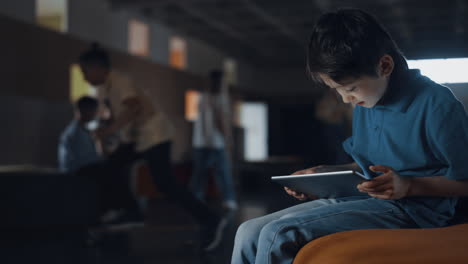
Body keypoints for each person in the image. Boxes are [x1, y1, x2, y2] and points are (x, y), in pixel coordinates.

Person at [231, 8, 468, 264]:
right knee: (248, 231)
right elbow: (367, 165)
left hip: (416, 210)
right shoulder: (369, 100)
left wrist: (410, 185)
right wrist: (324, 175)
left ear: (385, 65)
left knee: (278, 233)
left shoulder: (436, 104)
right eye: (337, 91)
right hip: (365, 198)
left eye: (351, 88)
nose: (346, 99)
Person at [78, 43, 229, 251]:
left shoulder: (120, 80)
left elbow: (133, 108)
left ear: (98, 68)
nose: (85, 78)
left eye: (85, 72)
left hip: (155, 134)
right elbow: (122, 118)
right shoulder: (106, 88)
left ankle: (210, 219)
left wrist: (108, 131)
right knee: (112, 165)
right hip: (140, 138)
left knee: (165, 184)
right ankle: (131, 211)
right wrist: (109, 135)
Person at [58, 96, 140, 224]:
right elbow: (87, 160)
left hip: (85, 167)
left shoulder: (84, 130)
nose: (95, 114)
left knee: (113, 169)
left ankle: (121, 210)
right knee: (111, 172)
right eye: (94, 111)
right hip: (77, 171)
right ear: (85, 111)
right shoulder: (74, 133)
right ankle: (125, 210)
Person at [190, 70, 238, 210]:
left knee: (199, 175)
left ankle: (195, 200)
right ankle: (229, 200)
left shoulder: (203, 97)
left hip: (199, 142)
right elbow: (220, 119)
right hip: (217, 143)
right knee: (223, 173)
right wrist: (228, 138)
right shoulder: (220, 98)